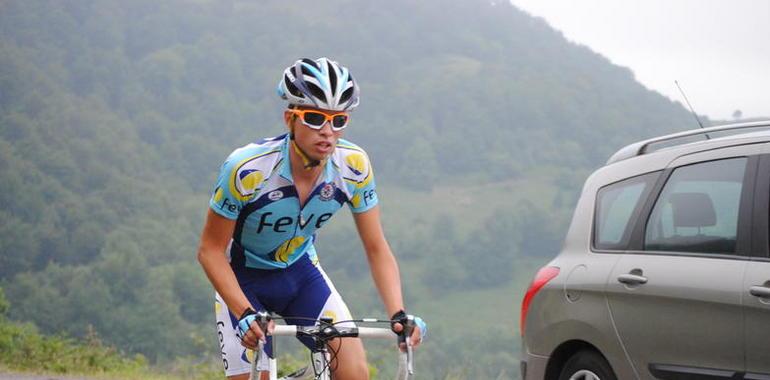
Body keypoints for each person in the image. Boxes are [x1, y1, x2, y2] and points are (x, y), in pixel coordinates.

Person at [197, 57, 426, 380]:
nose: (328, 132)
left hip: (301, 275)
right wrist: (244, 312)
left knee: (355, 373)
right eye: (316, 118)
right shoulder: (247, 169)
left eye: (339, 120)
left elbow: (376, 247)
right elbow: (209, 250)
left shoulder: (353, 167)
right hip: (243, 279)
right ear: (290, 118)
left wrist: (398, 313)